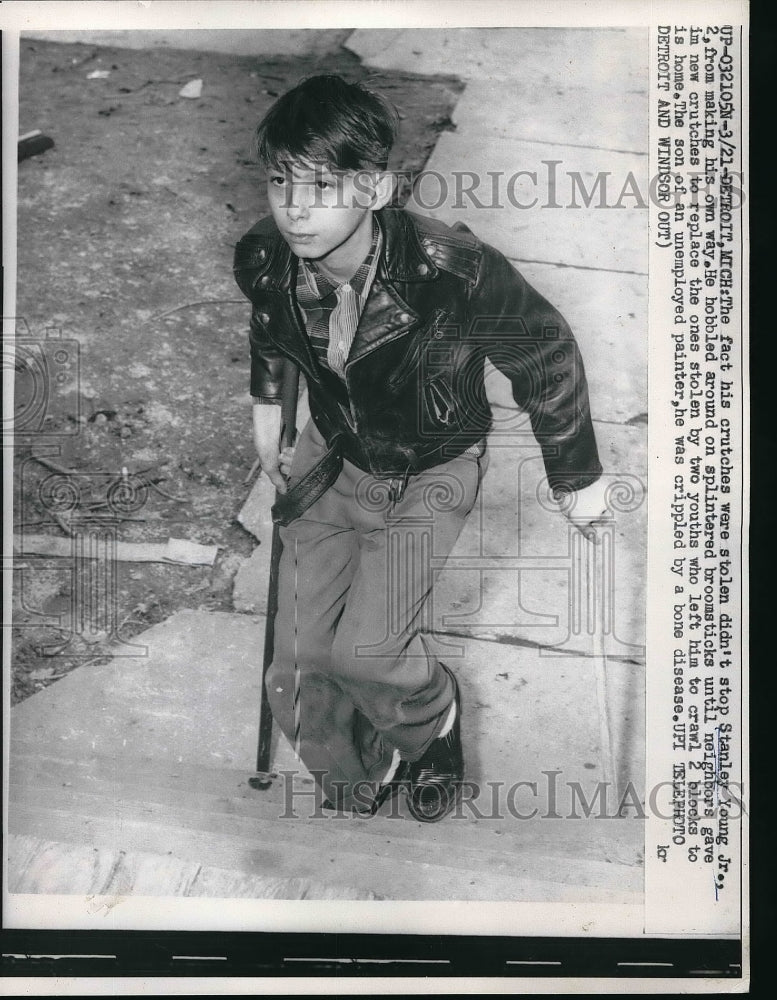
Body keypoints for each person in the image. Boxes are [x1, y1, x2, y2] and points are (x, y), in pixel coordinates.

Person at [234, 75, 609, 822]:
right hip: (332, 454)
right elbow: (271, 327)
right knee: (297, 670)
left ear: (375, 187)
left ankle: (431, 722)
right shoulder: (264, 257)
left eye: (321, 185)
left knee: (368, 654)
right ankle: (359, 773)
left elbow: (544, 351)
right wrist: (269, 410)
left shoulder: (451, 269)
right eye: (280, 181)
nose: (295, 207)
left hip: (431, 466)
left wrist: (576, 475)